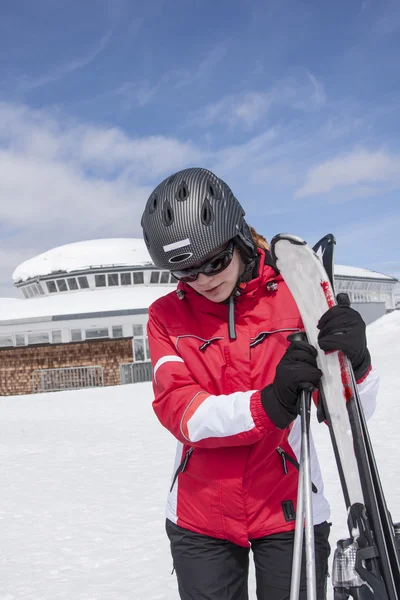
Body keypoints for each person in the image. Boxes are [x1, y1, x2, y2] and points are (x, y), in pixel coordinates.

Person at [141, 167, 379, 600]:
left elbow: (344, 419)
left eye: (214, 262)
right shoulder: (166, 317)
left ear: (239, 236)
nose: (204, 281)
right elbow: (183, 412)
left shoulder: (295, 293)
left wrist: (356, 364)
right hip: (201, 516)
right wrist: (269, 403)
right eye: (188, 273)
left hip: (290, 506)